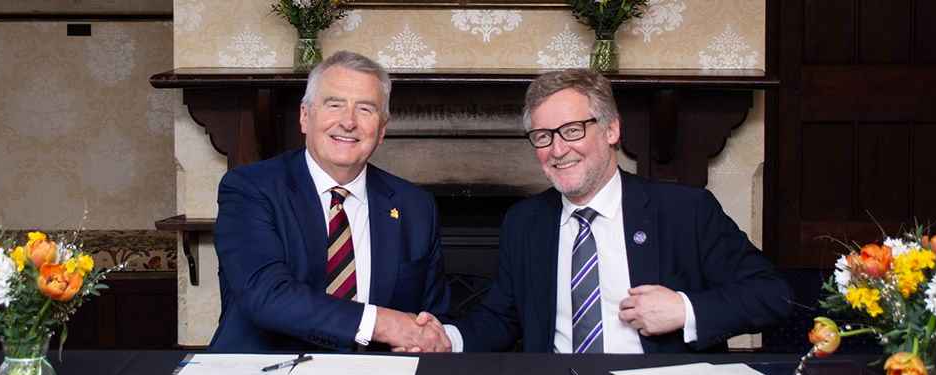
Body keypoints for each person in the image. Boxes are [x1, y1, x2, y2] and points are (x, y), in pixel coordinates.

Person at [439, 68, 793, 353]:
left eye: (572, 130)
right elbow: (502, 318)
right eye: (544, 136)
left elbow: (772, 294)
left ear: (611, 129)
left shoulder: (685, 210)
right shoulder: (525, 221)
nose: (558, 149)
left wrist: (685, 309)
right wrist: (447, 340)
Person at [208, 51, 452, 352]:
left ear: (382, 130)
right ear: (304, 116)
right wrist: (383, 324)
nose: (348, 122)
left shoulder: (415, 205)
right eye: (334, 105)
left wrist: (421, 343)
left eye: (365, 109)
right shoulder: (250, 188)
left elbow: (432, 319)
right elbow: (265, 295)